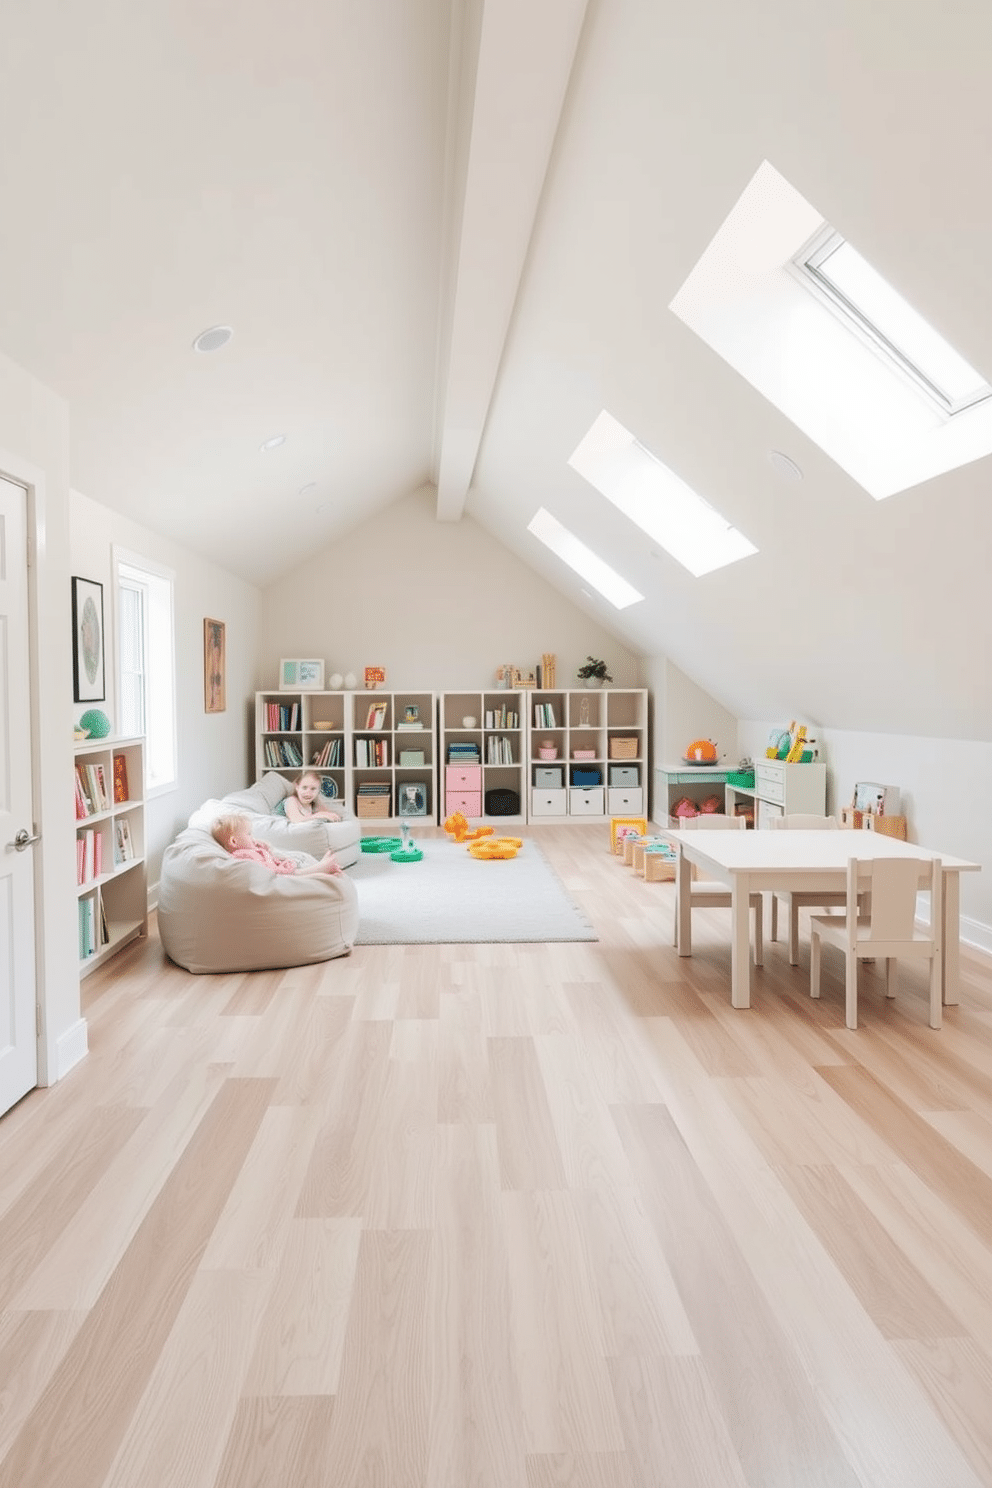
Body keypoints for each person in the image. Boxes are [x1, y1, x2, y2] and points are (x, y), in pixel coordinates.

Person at [211, 813, 342, 876]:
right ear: (234, 842)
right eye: (249, 834)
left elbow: (264, 855)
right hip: (278, 875)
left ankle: (322, 866)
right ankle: (321, 868)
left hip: (277, 867)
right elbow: (263, 870)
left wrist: (262, 847)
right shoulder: (242, 855)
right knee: (298, 873)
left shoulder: (248, 850)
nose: (252, 838)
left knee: (301, 860)